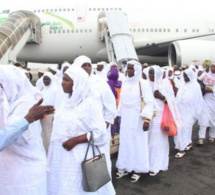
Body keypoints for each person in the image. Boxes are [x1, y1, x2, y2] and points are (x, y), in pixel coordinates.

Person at [47, 66, 115, 195]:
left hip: (79, 158)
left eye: (67, 80)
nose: (62, 82)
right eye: (63, 79)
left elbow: (101, 134)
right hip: (61, 159)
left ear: (78, 83)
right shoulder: (65, 102)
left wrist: (76, 140)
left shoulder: (90, 105)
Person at [0, 65, 49, 195]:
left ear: (10, 84)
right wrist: (27, 119)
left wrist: (27, 119)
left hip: (25, 173)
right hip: (7, 172)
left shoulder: (25, 103)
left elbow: (12, 136)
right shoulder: (5, 103)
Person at [115, 60, 154, 182]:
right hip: (126, 118)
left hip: (138, 118)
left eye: (131, 68)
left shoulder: (143, 83)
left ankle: (138, 170)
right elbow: (122, 101)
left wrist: (147, 119)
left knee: (138, 143)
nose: (128, 70)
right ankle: (125, 167)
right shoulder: (125, 82)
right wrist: (117, 115)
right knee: (126, 142)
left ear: (137, 70)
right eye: (128, 68)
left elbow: (149, 102)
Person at [147, 65, 180, 176]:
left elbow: (172, 101)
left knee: (157, 142)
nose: (150, 75)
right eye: (149, 73)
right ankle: (150, 164)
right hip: (148, 118)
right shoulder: (146, 84)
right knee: (149, 141)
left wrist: (161, 97)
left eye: (152, 73)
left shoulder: (164, 84)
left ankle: (156, 166)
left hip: (161, 118)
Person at [174, 68, 203, 158]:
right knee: (181, 129)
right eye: (184, 75)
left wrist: (195, 113)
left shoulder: (195, 86)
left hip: (189, 111)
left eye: (186, 76)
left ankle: (181, 149)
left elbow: (198, 100)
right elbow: (178, 97)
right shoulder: (182, 85)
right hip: (180, 110)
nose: (185, 77)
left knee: (185, 129)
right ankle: (187, 143)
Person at [197, 62, 215, 144]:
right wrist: (202, 89)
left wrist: (211, 90)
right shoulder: (205, 75)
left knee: (213, 119)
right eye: (212, 66)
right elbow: (198, 81)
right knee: (203, 118)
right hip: (205, 100)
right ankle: (201, 138)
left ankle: (212, 136)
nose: (213, 68)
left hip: (214, 101)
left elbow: (210, 89)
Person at [40, 72, 58, 153]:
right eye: (44, 79)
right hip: (42, 114)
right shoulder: (43, 89)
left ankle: (49, 152)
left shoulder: (55, 89)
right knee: (43, 134)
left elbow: (57, 103)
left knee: (48, 134)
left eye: (47, 79)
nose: (46, 81)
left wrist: (54, 114)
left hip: (50, 115)